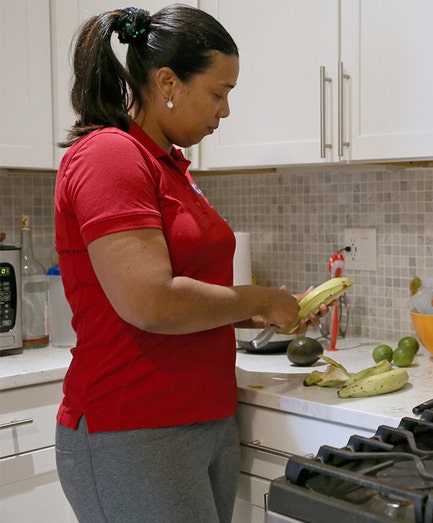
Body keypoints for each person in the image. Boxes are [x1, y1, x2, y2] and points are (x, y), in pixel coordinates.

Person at [53, 6, 321, 522]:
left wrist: (255, 315)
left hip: (202, 419)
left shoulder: (168, 165)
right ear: (168, 81)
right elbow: (150, 302)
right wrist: (258, 298)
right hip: (131, 428)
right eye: (218, 93)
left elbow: (186, 290)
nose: (224, 112)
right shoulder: (109, 155)